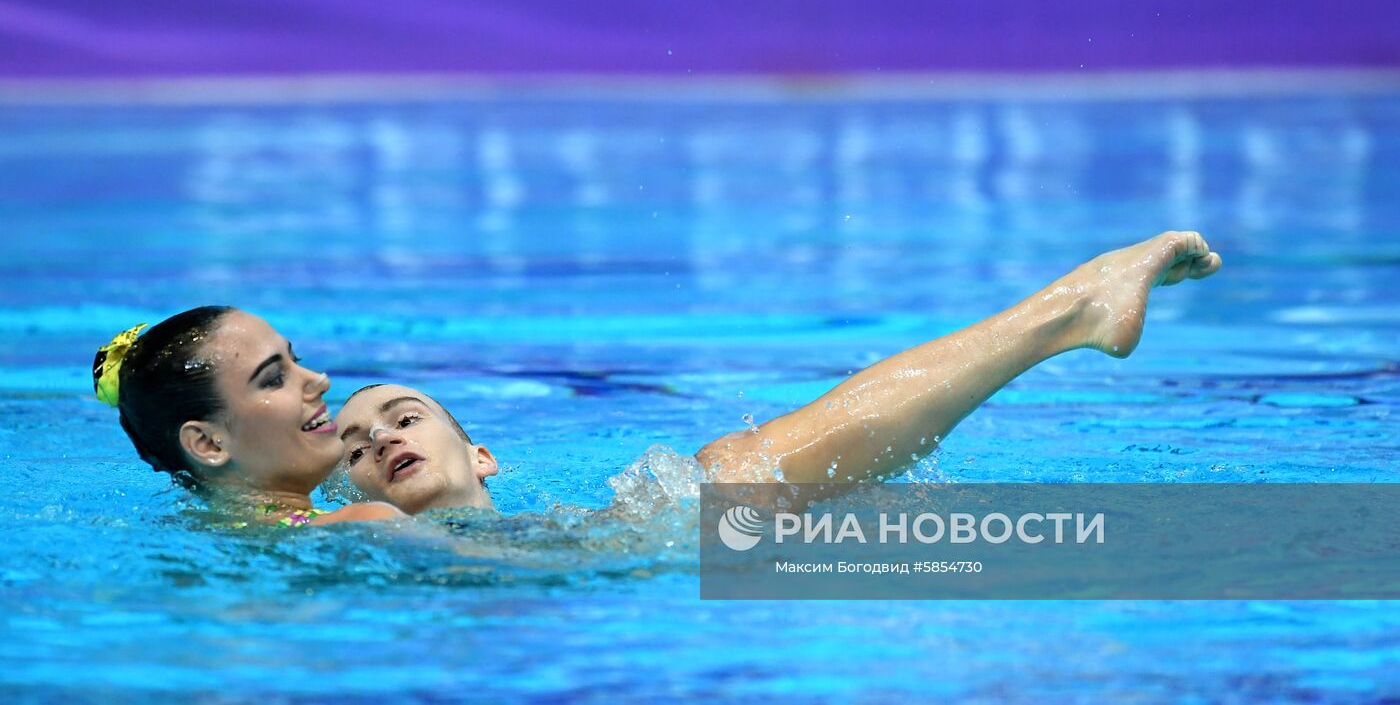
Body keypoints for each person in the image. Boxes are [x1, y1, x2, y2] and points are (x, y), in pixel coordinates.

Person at [336, 231, 1222, 514]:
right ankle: (1069, 310)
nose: (379, 436)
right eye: (354, 444)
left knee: (725, 478)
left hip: (650, 534)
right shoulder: (352, 535)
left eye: (403, 416)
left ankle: (1070, 308)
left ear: (483, 455)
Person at [93, 306, 404, 526]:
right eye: (273, 379)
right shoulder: (366, 525)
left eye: (296, 361)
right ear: (207, 444)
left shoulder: (180, 535)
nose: (318, 380)